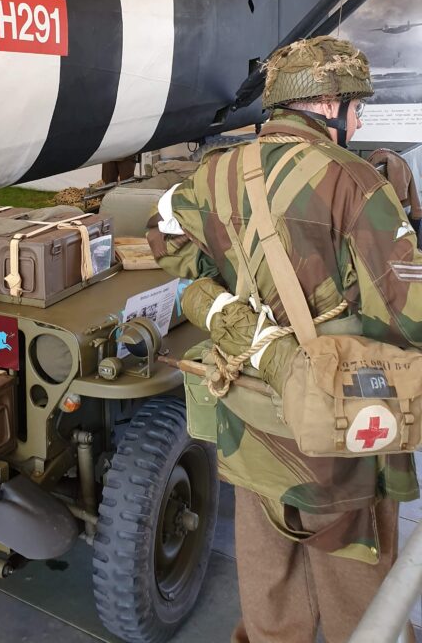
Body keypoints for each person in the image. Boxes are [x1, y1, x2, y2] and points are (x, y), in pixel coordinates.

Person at [147, 35, 422, 643]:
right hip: (335, 436)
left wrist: (216, 305)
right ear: (327, 103)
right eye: (356, 105)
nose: (359, 117)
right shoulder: (355, 183)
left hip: (250, 422)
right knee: (363, 606)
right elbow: (413, 321)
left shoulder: (216, 172)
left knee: (270, 593)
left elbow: (163, 234)